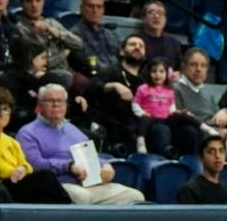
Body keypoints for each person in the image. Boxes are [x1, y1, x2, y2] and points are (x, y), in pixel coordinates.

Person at [15, 84, 145, 204]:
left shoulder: (73, 130)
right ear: (40, 105)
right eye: (50, 101)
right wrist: (69, 166)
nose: (56, 105)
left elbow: (90, 157)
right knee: (82, 197)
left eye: (60, 101)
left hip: (90, 184)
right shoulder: (27, 133)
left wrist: (105, 165)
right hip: (58, 186)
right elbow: (34, 165)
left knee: (135, 196)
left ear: (66, 105)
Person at [0, 90, 73, 202]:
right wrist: (19, 171)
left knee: (44, 194)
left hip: (16, 181)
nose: (1, 114)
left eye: (5, 109)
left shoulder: (10, 140)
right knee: (45, 177)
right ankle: (71, 209)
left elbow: (27, 165)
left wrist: (23, 169)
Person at [176, 134, 227, 206]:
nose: (217, 156)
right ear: (201, 157)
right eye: (211, 152)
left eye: (221, 151)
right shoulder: (189, 191)